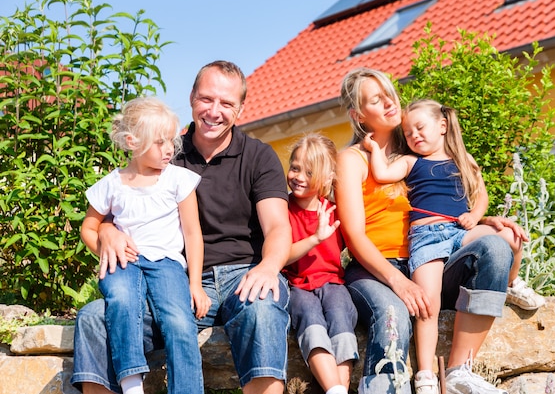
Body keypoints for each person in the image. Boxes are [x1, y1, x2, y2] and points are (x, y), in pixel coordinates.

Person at [71, 60, 292, 394]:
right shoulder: (162, 150)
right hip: (173, 278)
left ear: (241, 109)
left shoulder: (259, 157)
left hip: (243, 273)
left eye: (227, 103)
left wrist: (269, 267)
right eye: (207, 98)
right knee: (93, 318)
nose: (215, 111)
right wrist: (106, 231)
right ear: (191, 97)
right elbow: (109, 215)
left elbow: (277, 226)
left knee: (262, 308)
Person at [335, 67, 528, 394]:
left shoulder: (416, 152)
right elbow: (354, 236)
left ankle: (458, 372)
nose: (389, 102)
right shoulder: (353, 159)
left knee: (495, 248)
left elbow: (446, 206)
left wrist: (484, 221)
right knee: (393, 312)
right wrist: (399, 282)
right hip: (376, 269)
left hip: (428, 263)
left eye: (389, 93)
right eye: (375, 99)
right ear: (358, 116)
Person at [80, 97, 209, 394]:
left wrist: (196, 284)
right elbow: (88, 228)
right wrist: (105, 248)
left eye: (172, 141)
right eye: (159, 142)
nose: (169, 149)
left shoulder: (178, 179)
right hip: (125, 262)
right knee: (122, 302)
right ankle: (131, 383)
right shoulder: (112, 183)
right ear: (132, 142)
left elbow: (192, 234)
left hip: (167, 264)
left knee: (179, 320)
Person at [282, 133, 359, 394]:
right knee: (308, 316)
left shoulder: (335, 210)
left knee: (340, 313)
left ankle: (338, 388)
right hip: (298, 285)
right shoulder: (283, 209)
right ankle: (335, 388)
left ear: (327, 178)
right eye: (295, 168)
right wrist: (315, 238)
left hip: (333, 282)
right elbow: (282, 255)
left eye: (309, 171)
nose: (299, 176)